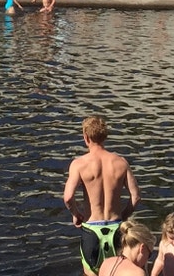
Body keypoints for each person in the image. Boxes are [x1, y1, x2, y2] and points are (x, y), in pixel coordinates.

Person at [63, 115, 141, 276]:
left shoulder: (79, 164)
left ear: (86, 137)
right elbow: (136, 197)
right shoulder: (121, 162)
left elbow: (68, 197)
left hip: (92, 230)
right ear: (105, 136)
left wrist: (76, 214)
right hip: (116, 229)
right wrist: (124, 216)